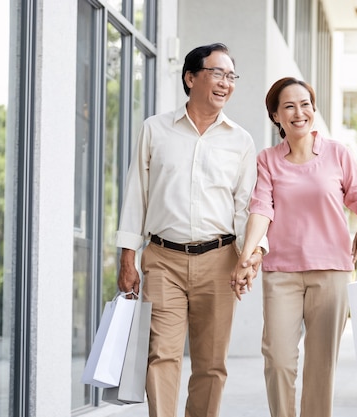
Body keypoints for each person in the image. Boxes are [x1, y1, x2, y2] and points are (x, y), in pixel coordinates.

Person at [116, 43, 265, 417]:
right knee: (162, 356)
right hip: (163, 259)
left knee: (211, 364)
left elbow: (246, 208)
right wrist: (127, 256)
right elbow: (137, 194)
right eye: (217, 73)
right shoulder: (155, 129)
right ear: (190, 77)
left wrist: (250, 255)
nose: (226, 83)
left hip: (219, 260)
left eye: (231, 76)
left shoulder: (240, 141)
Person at [231, 77, 357, 417]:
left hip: (332, 273)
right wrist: (245, 257)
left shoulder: (337, 154)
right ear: (276, 116)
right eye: (289, 106)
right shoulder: (267, 159)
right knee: (278, 361)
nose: (300, 112)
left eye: (306, 104)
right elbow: (261, 209)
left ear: (313, 109)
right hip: (281, 272)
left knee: (320, 368)